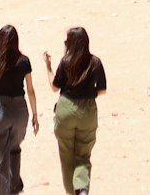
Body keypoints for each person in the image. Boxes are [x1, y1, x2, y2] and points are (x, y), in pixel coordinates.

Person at [44, 27, 107, 195]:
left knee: (66, 157)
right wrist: (88, 94)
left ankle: (71, 193)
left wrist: (48, 66)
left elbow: (54, 87)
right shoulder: (95, 62)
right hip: (87, 111)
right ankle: (82, 189)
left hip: (66, 108)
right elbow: (102, 90)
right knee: (83, 156)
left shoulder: (65, 62)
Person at [0, 24, 39, 195]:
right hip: (20, 111)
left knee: (0, 156)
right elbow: (30, 90)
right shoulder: (24, 61)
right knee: (14, 147)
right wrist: (35, 115)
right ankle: (15, 185)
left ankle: (3, 191)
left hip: (1, 108)